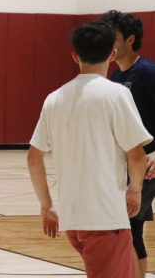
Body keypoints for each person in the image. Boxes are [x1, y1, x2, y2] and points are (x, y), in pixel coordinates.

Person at [27, 21, 153, 278]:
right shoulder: (116, 94)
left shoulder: (54, 98)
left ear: (75, 55)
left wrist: (46, 206)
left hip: (73, 221)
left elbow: (34, 157)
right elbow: (137, 154)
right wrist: (135, 191)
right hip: (105, 218)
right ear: (112, 54)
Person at [101, 10, 155, 278]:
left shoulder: (148, 72)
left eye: (114, 36)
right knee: (131, 231)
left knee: (126, 228)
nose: (108, 41)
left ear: (130, 39)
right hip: (122, 166)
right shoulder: (114, 76)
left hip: (145, 165)